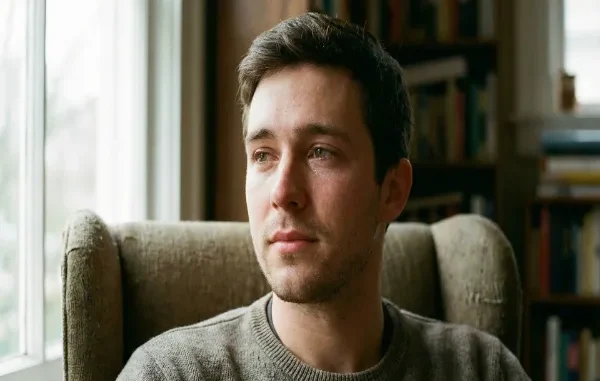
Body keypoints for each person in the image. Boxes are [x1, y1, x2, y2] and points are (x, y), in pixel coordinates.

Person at [117, 12, 530, 381]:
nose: (282, 192)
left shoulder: (482, 368)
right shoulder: (168, 374)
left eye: (320, 152)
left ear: (392, 190)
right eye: (263, 155)